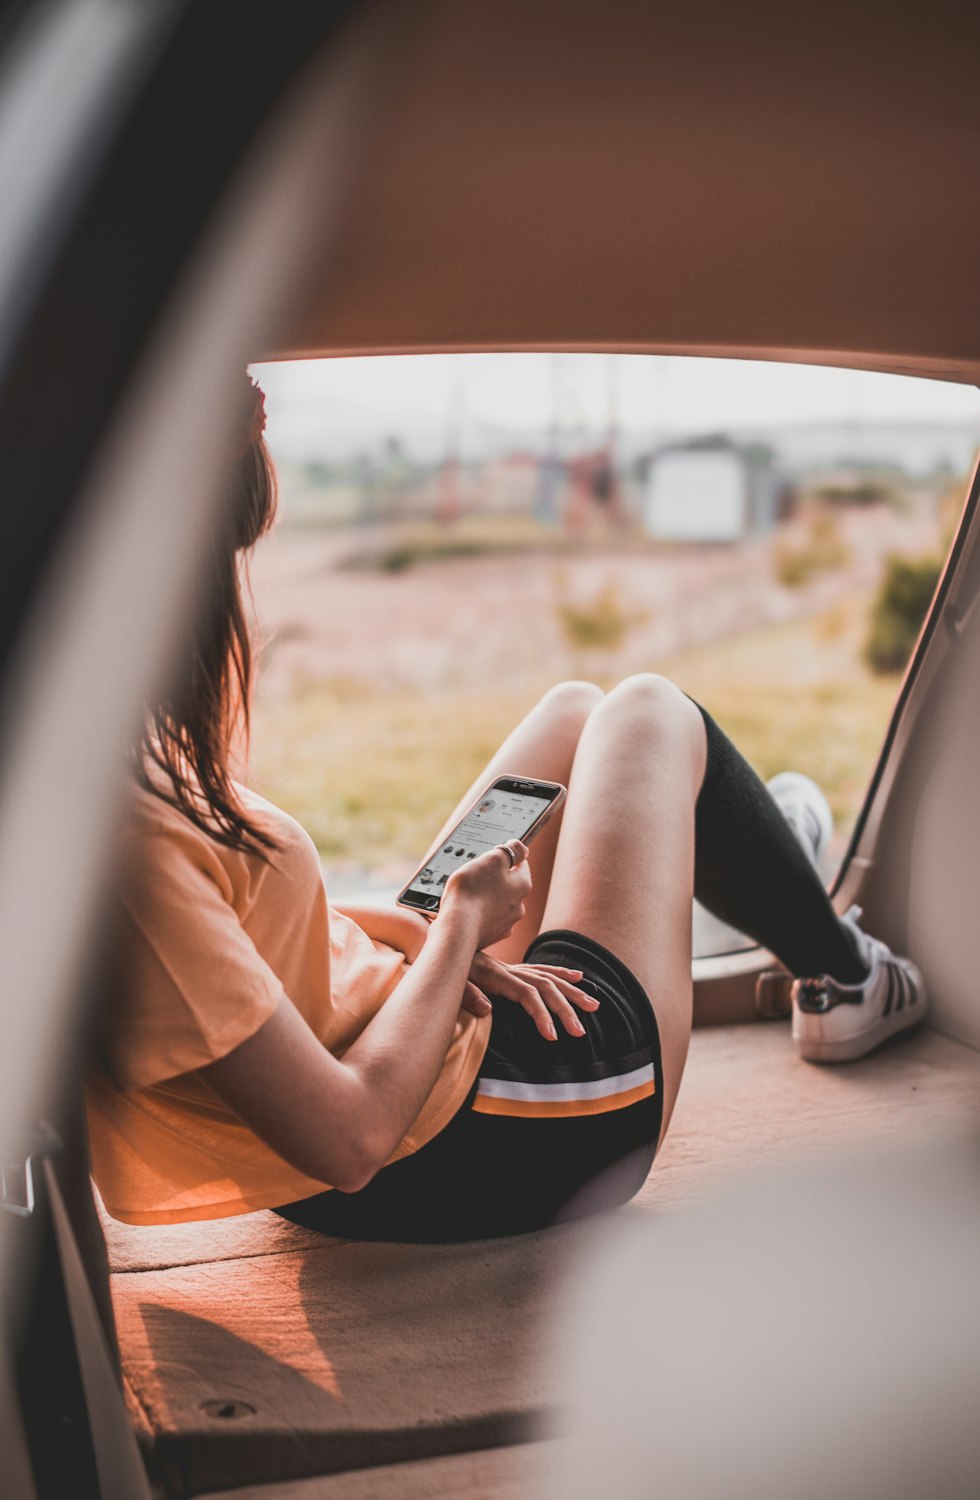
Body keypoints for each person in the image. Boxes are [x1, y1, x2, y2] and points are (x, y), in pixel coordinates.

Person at [85, 374, 927, 1242]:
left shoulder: (112, 767)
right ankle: (847, 974)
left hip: (405, 1032)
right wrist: (457, 933)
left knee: (574, 710)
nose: (253, 376)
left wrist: (431, 946)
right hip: (515, 1123)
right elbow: (349, 1141)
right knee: (647, 710)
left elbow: (261, 943)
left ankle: (762, 856)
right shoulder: (132, 849)